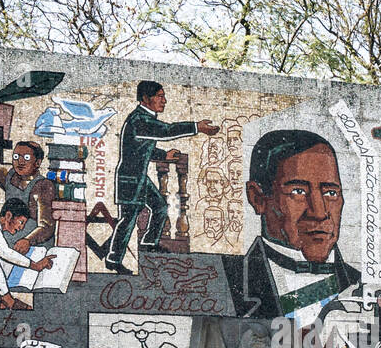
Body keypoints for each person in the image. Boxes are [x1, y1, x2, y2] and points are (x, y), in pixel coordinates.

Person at [225, 130, 361, 322]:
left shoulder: (362, 285)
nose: (319, 212)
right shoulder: (225, 281)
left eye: (330, 193)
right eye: (298, 191)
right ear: (257, 198)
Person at [99, 81, 220, 272]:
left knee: (160, 207)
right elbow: (166, 131)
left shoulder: (145, 119)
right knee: (128, 219)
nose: (164, 100)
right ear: (146, 99)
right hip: (129, 178)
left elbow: (142, 148)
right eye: (160, 96)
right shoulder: (140, 119)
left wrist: (163, 156)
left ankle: (149, 243)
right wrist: (196, 127)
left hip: (139, 177)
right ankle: (113, 260)